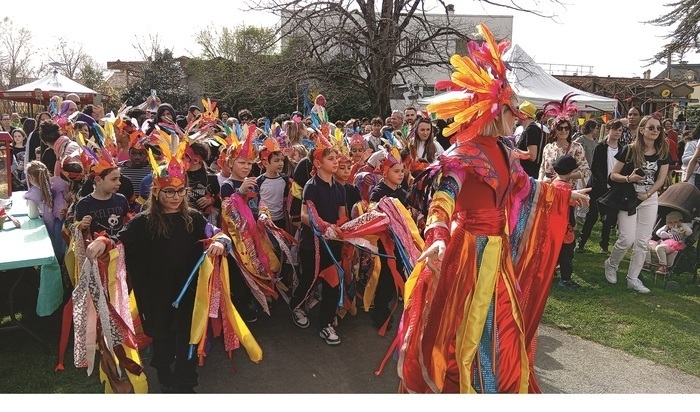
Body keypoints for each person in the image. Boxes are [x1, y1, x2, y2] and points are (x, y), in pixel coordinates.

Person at [396, 24, 590, 394]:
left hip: (498, 253)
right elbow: (443, 198)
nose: (519, 115)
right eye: (513, 108)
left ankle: (495, 386)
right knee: (466, 330)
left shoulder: (504, 149)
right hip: (467, 252)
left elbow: (522, 186)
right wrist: (436, 237)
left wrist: (563, 194)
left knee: (502, 324)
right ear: (495, 109)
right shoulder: (462, 155)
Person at [85, 142, 232, 393]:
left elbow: (216, 233)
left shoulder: (193, 217)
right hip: (156, 292)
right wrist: (103, 241)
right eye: (168, 192)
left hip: (188, 291)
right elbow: (119, 238)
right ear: (156, 192)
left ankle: (186, 382)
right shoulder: (144, 221)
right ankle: (164, 375)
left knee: (187, 333)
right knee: (162, 335)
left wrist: (220, 241)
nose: (175, 198)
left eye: (180, 191)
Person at [604, 115, 670, 293]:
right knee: (626, 238)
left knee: (642, 241)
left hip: (649, 199)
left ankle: (633, 278)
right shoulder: (629, 150)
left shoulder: (662, 152)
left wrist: (648, 194)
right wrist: (629, 178)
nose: (655, 130)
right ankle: (611, 264)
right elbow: (613, 175)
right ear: (641, 130)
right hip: (628, 198)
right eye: (651, 127)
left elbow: (661, 179)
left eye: (658, 128)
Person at [292, 137, 346, 345]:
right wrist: (323, 227)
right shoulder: (311, 186)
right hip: (312, 245)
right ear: (318, 163)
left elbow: (343, 214)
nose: (336, 162)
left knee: (332, 284)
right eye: (331, 158)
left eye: (336, 158)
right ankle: (296, 307)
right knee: (309, 280)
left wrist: (343, 228)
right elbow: (305, 215)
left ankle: (325, 324)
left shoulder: (340, 188)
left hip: (333, 244)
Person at [367, 146, 407, 329]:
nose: (401, 174)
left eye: (402, 171)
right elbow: (373, 215)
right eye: (396, 171)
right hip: (385, 245)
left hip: (400, 243)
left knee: (394, 276)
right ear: (385, 172)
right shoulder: (378, 192)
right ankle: (379, 313)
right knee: (385, 277)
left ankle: (384, 308)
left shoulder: (402, 192)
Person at [578, 119, 622, 254]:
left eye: (620, 130)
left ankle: (604, 246)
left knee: (608, 219)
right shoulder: (600, 147)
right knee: (591, 216)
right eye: (615, 129)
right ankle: (581, 243)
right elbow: (595, 167)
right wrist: (603, 183)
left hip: (614, 188)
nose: (617, 133)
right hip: (598, 187)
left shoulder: (622, 148)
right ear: (608, 130)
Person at [538, 97, 590, 186]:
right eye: (560, 128)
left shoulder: (576, 147)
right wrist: (540, 182)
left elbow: (585, 171)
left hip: (568, 192)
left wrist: (566, 176)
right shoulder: (548, 147)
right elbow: (542, 168)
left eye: (566, 128)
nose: (563, 131)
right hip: (549, 191)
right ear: (554, 130)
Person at [24, 160, 70, 263]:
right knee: (61, 248)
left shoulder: (34, 193)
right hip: (62, 220)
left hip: (48, 224)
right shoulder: (58, 183)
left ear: (30, 177)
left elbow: (33, 215)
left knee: (52, 249)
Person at [74, 152, 129, 237]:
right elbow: (76, 232)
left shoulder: (121, 200)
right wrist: (82, 225)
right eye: (114, 179)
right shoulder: (83, 204)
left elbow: (126, 225)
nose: (119, 183)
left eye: (119, 179)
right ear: (98, 180)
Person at [551, 155, 582, 290]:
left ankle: (550, 272)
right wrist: (573, 224)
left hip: (552, 226)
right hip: (564, 228)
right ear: (570, 173)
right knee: (567, 253)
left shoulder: (553, 183)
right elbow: (569, 209)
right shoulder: (566, 188)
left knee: (553, 251)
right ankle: (566, 279)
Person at [646, 211, 693, 275]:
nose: (673, 224)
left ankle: (663, 266)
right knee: (646, 244)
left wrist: (682, 224)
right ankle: (647, 263)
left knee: (659, 248)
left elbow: (689, 232)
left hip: (675, 244)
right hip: (663, 242)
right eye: (670, 222)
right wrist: (666, 226)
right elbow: (658, 233)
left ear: (680, 221)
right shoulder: (667, 229)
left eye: (675, 222)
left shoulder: (682, 229)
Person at [516, 101, 545, 178]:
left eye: (519, 113)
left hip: (529, 175)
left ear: (524, 116)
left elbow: (532, 156)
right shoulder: (532, 129)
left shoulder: (531, 130)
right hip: (529, 174)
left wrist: (515, 150)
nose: (516, 116)